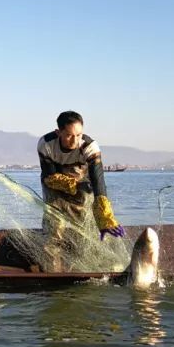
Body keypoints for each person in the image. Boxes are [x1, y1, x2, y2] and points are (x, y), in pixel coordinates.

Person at [37, 111, 125, 271]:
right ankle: (52, 265)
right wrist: (70, 187)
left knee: (85, 218)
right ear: (58, 133)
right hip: (54, 181)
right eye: (70, 135)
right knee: (54, 221)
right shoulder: (46, 144)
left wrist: (104, 216)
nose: (75, 140)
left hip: (82, 180)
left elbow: (98, 181)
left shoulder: (90, 147)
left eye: (79, 135)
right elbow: (50, 175)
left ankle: (83, 261)